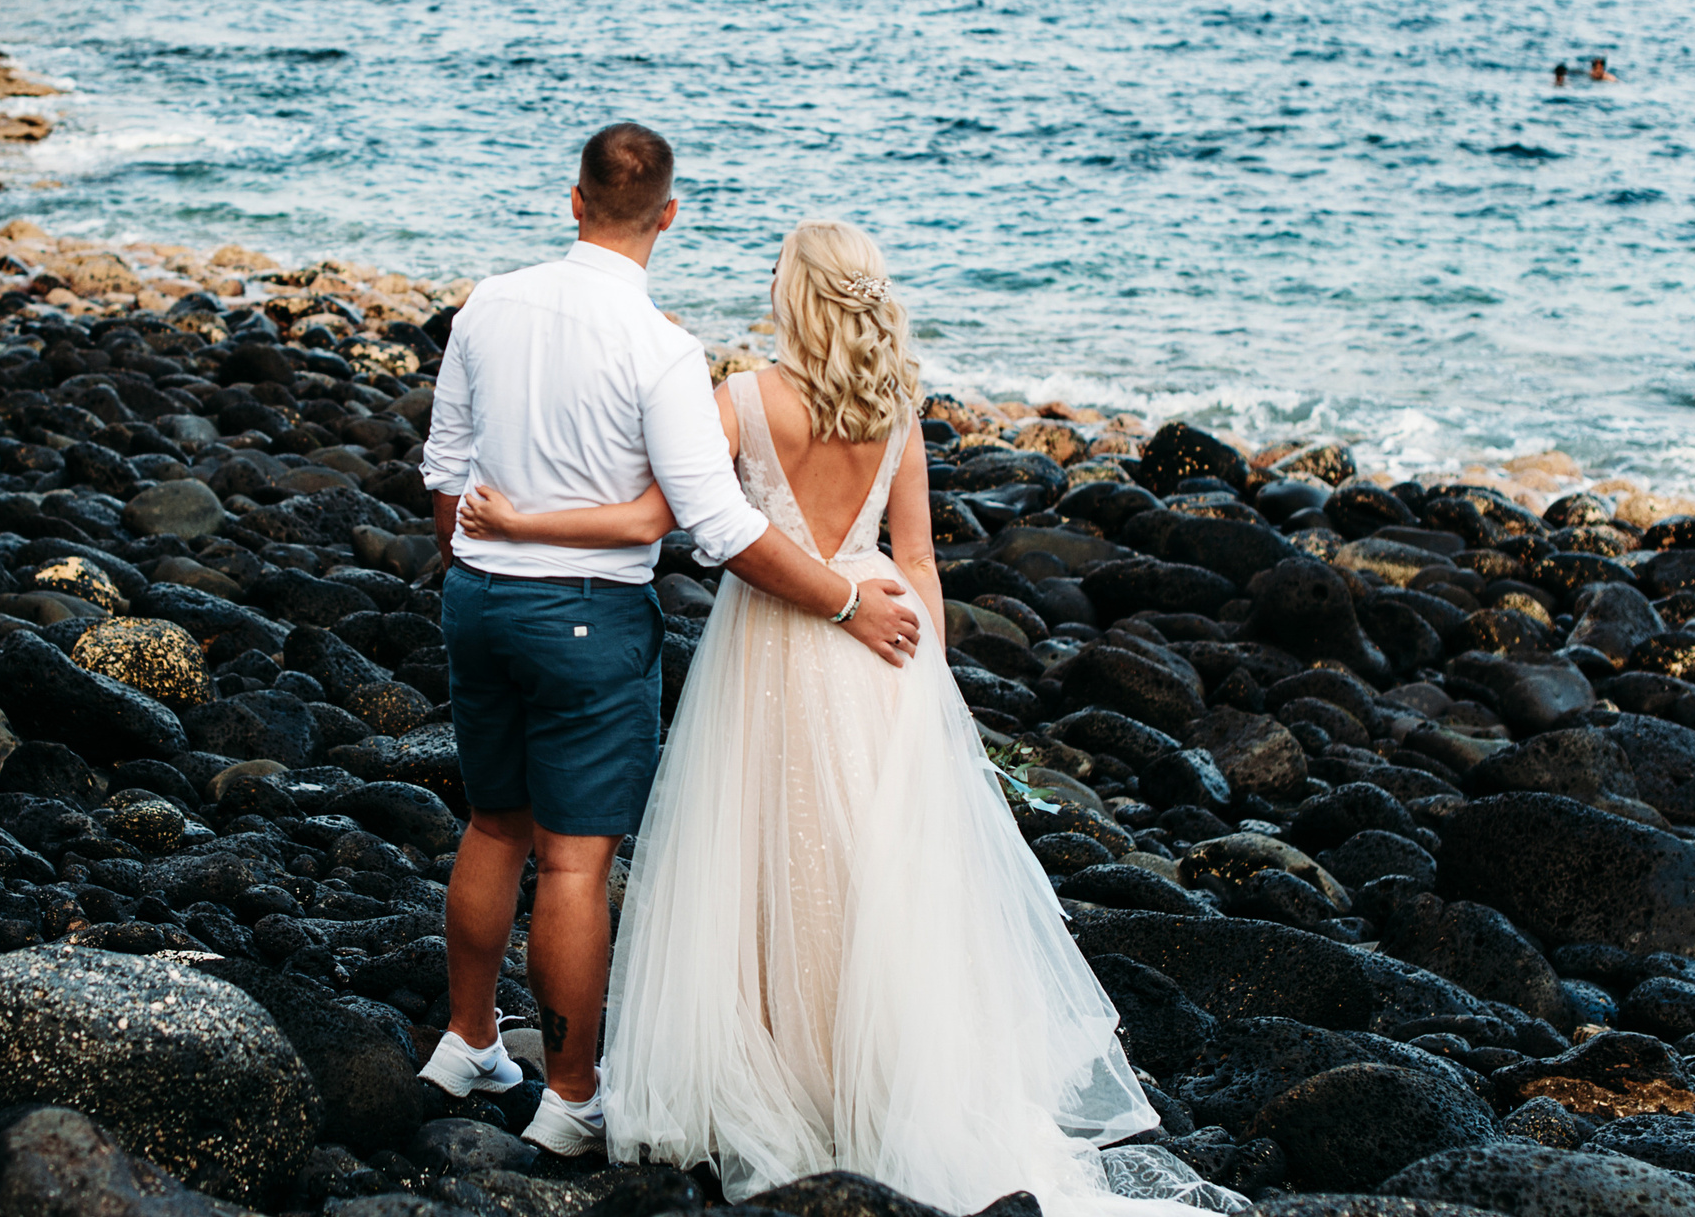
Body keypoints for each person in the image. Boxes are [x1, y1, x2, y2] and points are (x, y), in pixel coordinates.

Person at [460, 221, 1236, 1213]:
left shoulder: (741, 397)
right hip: (881, 639)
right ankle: (871, 1086)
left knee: (767, 862)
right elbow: (916, 559)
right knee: (873, 871)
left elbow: (654, 518)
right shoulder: (897, 406)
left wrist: (520, 519)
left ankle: (786, 1078)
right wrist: (935, 686)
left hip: (778, 633)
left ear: (793, 297)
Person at [417, 128, 925, 1157]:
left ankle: (466, 1038)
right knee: (571, 863)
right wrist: (846, 602)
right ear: (668, 214)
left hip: (477, 600)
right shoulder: (661, 348)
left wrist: (481, 559)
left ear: (572, 199)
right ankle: (569, 1097)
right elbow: (721, 527)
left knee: (491, 824)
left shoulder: (485, 306)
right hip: (586, 618)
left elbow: (443, 473)